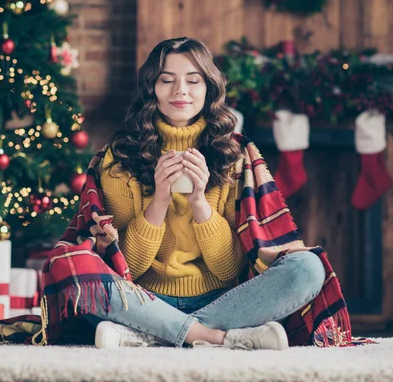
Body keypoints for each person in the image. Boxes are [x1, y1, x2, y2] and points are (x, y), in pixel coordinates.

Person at [79, 37, 326, 350]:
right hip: (144, 299)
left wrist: (198, 202)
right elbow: (127, 266)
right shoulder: (119, 158)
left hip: (223, 301)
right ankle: (214, 338)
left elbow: (229, 269)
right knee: (77, 274)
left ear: (209, 88)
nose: (180, 90)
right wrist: (160, 200)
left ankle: (152, 334)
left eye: (193, 80)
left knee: (307, 268)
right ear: (151, 88)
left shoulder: (233, 155)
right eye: (167, 80)